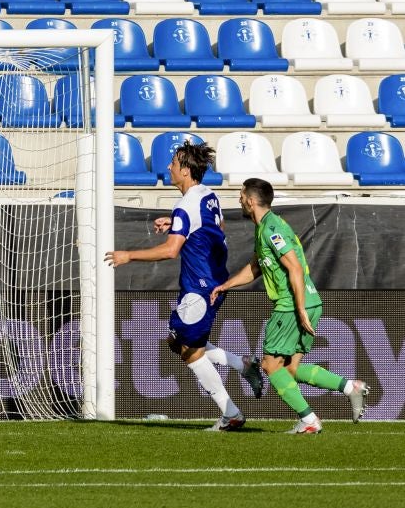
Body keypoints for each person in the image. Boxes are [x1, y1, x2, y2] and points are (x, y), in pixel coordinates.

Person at [106, 142, 263, 431]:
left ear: (187, 171)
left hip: (200, 287)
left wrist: (128, 255)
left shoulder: (186, 204)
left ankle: (231, 413)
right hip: (210, 280)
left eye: (174, 164)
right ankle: (244, 365)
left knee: (191, 352)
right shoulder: (207, 196)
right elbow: (215, 230)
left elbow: (170, 251)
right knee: (176, 342)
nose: (169, 167)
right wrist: (178, 224)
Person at [211, 179, 369, 433]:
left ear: (251, 201)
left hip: (292, 305)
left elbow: (294, 267)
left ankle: (309, 421)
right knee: (290, 369)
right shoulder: (264, 227)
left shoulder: (272, 228)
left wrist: (300, 309)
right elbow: (255, 268)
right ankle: (350, 387)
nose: (239, 199)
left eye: (241, 195)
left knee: (270, 366)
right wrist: (225, 285)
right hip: (308, 301)